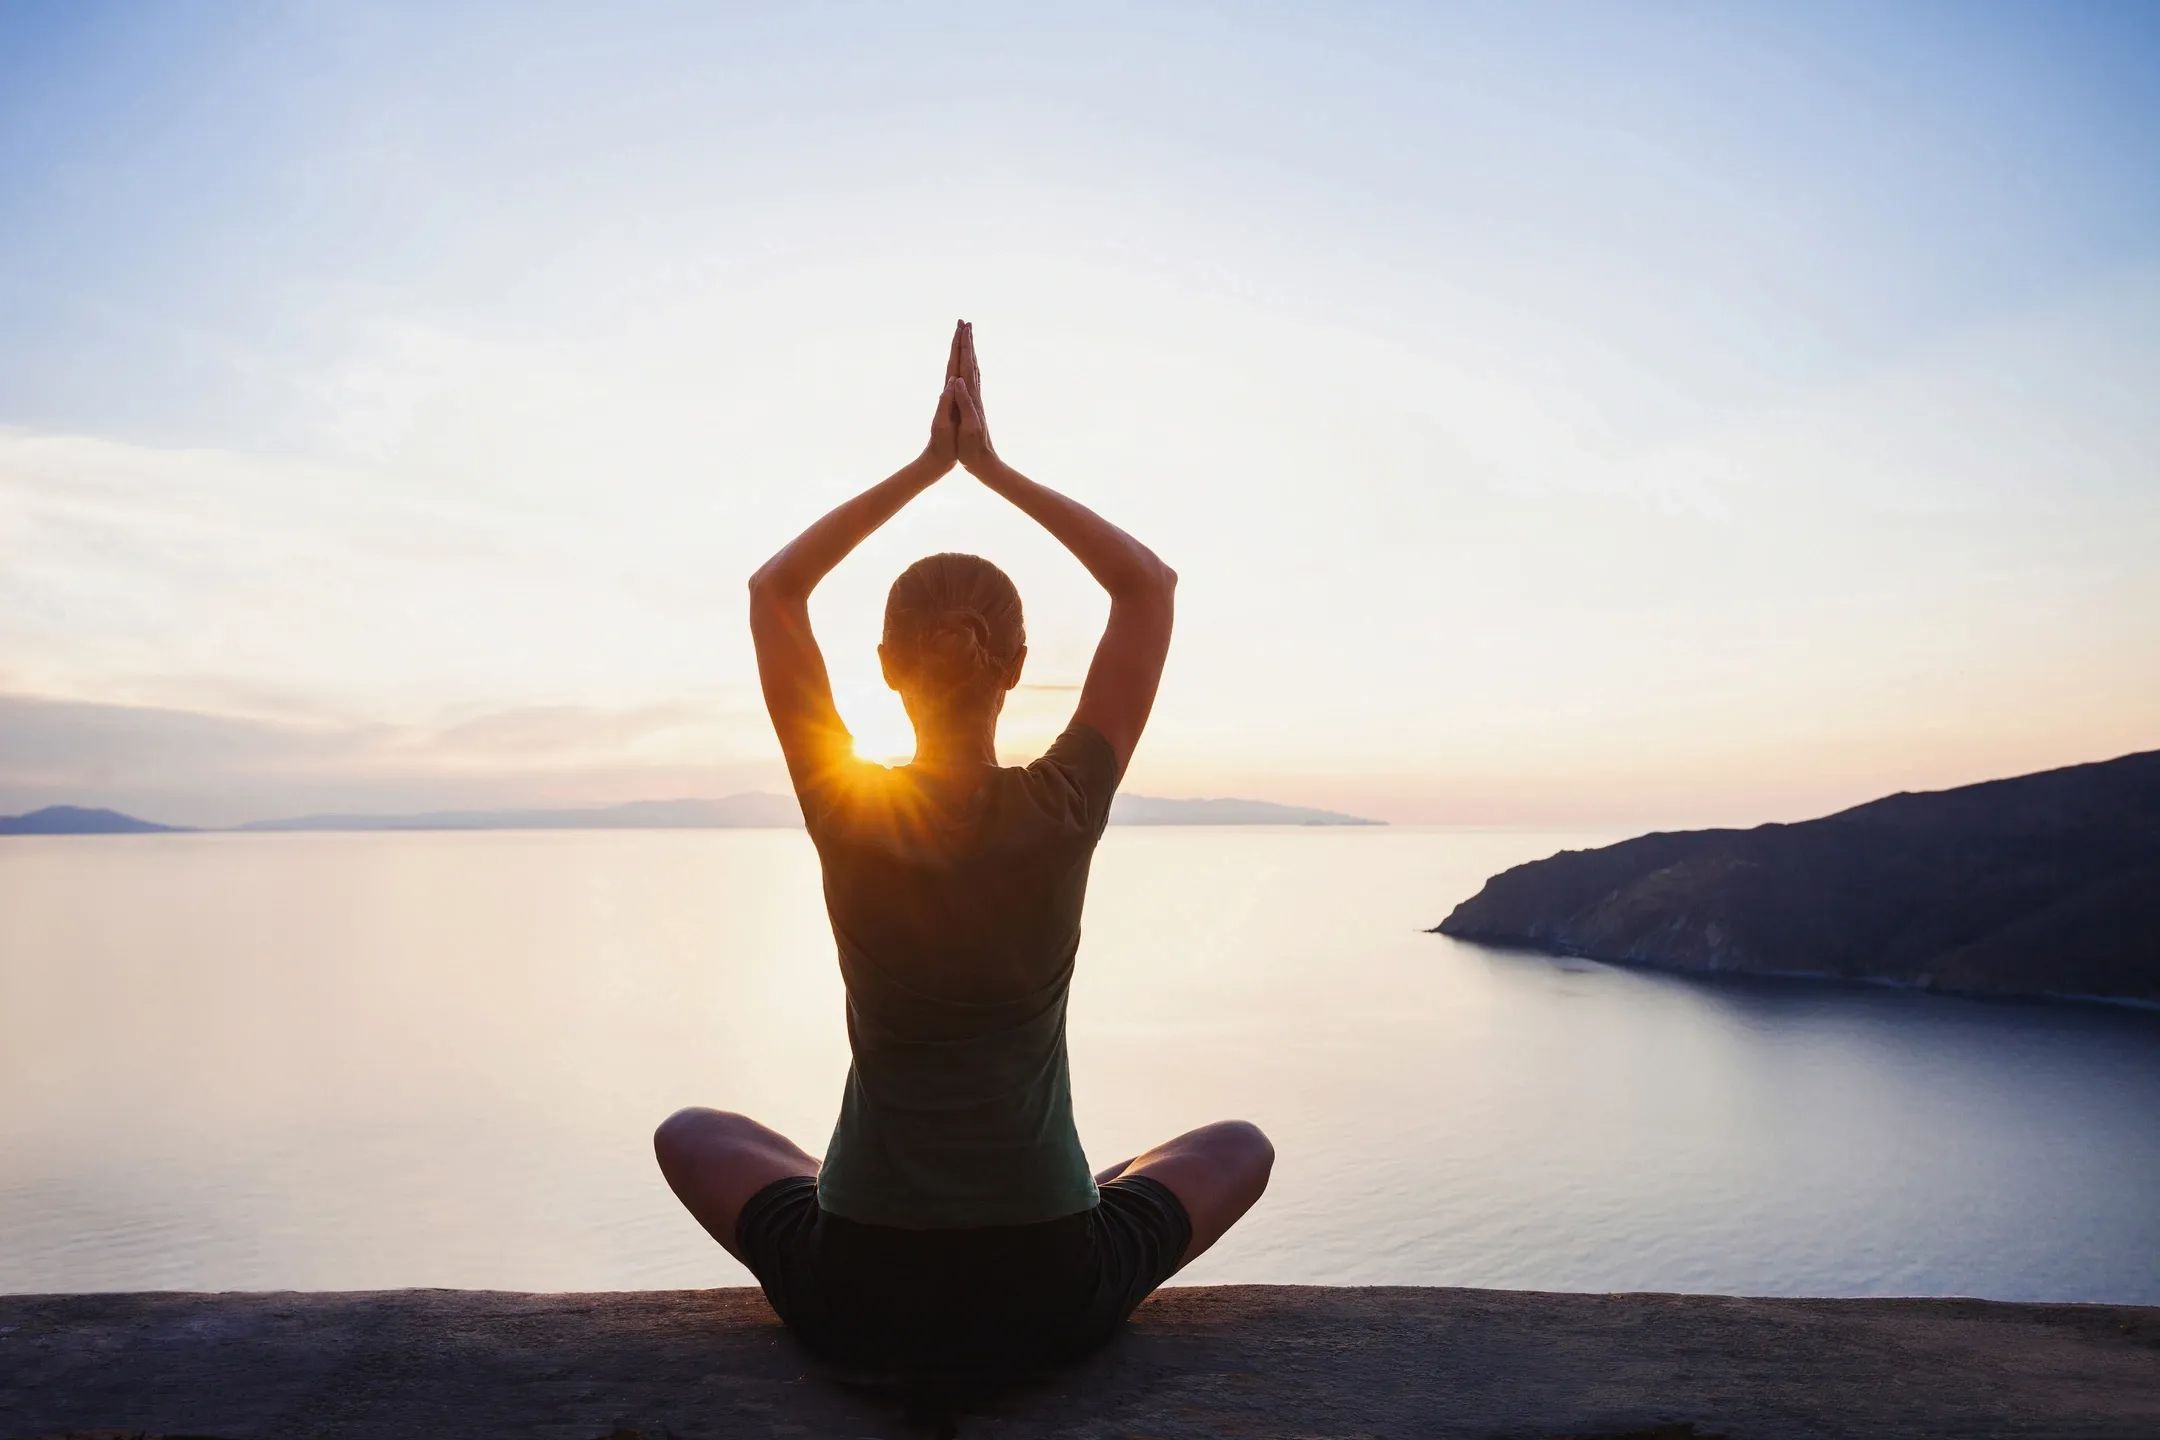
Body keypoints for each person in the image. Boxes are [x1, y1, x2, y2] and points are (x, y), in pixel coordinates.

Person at [654, 320, 1274, 1375]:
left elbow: (774, 594)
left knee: (691, 1133)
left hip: (862, 1287)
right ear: (1017, 662)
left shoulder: (847, 807)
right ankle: (1065, 1186)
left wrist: (925, 468)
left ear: (887, 666)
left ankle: (864, 1189)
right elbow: (1149, 589)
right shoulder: (1064, 802)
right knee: (1237, 1148)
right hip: (1047, 1288)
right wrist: (990, 468)